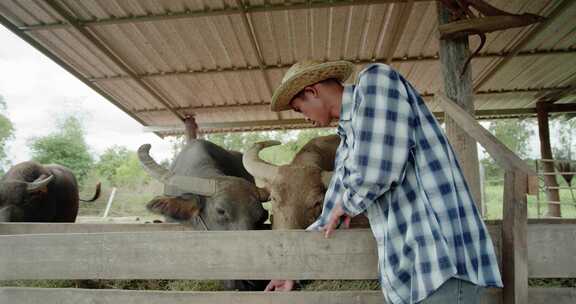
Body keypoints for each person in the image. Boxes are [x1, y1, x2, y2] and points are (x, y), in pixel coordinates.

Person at [264, 60, 502, 303]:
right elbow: (329, 218)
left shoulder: (376, 81)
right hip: (410, 275)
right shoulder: (347, 145)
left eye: (299, 109)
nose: (303, 118)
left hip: (442, 262)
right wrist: (292, 268)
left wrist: (346, 204)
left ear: (312, 91)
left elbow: (378, 170)